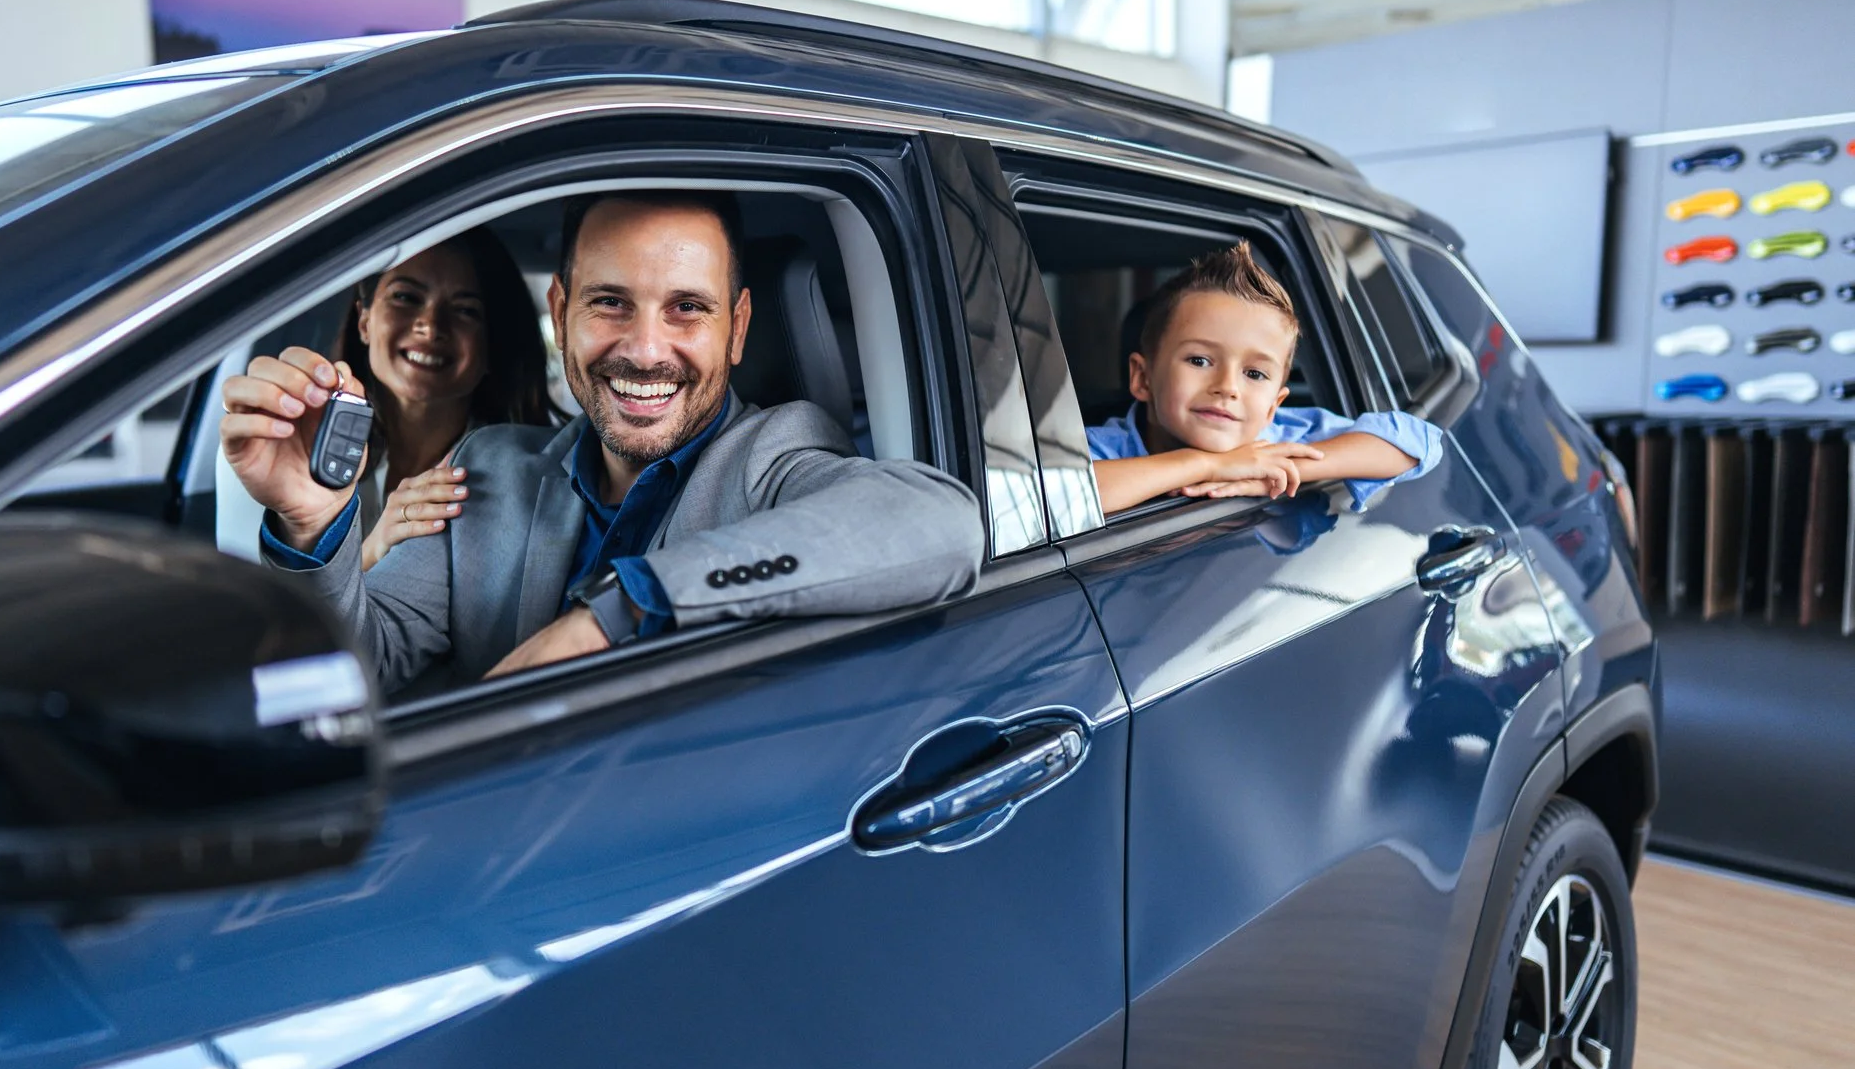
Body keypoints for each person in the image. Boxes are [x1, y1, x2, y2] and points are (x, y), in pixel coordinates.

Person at [219, 190, 983, 690]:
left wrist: (619, 616)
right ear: (560, 311)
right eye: (610, 302)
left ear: (739, 328)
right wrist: (313, 524)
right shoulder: (487, 468)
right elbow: (352, 670)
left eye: (686, 308)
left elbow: (939, 524)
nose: (645, 351)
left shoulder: (775, 451)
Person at [1086, 240, 1440, 514]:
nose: (1227, 387)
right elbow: (1058, 495)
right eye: (1199, 360)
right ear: (1143, 378)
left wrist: (1289, 466)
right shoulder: (1097, 450)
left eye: (1254, 373)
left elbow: (1417, 443)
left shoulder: (1277, 441)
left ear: (1274, 405)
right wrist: (1209, 464)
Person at [330, 228, 554, 571]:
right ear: (365, 321)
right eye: (406, 297)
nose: (431, 326)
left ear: (493, 344)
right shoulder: (303, 445)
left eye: (465, 310)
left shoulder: (526, 483)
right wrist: (371, 551)